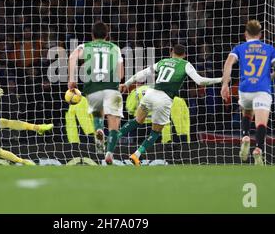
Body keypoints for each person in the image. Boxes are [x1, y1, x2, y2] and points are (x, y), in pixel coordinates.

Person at [111, 43, 222, 166]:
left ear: (171, 52)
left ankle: (114, 136)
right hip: (164, 99)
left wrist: (126, 83)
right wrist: (220, 80)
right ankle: (136, 154)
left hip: (150, 93)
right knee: (155, 132)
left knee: (137, 120)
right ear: (184, 55)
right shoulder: (186, 65)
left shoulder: (163, 61)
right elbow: (200, 81)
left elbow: (143, 73)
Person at [221, 20, 275, 165]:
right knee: (261, 122)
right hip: (262, 89)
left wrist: (225, 85)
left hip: (245, 90)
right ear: (260, 34)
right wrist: (270, 77)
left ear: (246, 34)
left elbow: (228, 64)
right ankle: (258, 149)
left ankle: (245, 136)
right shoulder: (268, 48)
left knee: (247, 112)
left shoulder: (239, 48)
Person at [68, 22, 124, 155]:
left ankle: (99, 134)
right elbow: (120, 74)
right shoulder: (114, 48)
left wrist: (71, 79)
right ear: (107, 35)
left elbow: (72, 57)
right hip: (111, 87)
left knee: (98, 115)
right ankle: (109, 153)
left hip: (92, 88)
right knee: (114, 122)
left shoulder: (85, 46)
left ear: (92, 35)